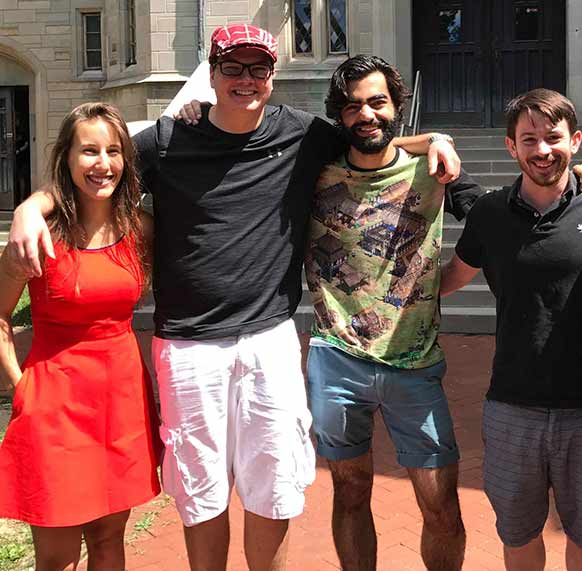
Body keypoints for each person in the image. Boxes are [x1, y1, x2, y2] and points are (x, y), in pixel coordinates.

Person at [7, 24, 463, 571]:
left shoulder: (302, 134)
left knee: (273, 487)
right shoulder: (170, 138)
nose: (246, 80)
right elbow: (97, 165)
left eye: (258, 69)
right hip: (188, 347)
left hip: (268, 339)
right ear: (213, 71)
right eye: (233, 68)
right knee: (201, 494)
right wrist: (31, 207)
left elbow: (375, 139)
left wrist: (435, 140)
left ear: (271, 76)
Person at [305, 55, 483, 571]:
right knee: (350, 490)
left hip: (415, 363)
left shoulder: (435, 174)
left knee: (441, 505)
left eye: (378, 102)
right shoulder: (315, 173)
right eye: (353, 105)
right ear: (339, 115)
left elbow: (499, 222)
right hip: (335, 359)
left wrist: (447, 280)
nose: (367, 115)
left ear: (397, 106)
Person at [440, 88, 582, 571]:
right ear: (510, 147)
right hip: (513, 405)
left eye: (554, 137)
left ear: (576, 141)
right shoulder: (490, 214)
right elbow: (453, 276)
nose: (543, 150)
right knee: (518, 534)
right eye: (529, 139)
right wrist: (384, 293)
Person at [0, 102, 160, 570]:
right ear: (66, 159)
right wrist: (19, 384)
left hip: (120, 399)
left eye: (114, 151)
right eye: (88, 151)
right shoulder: (36, 236)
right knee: (57, 553)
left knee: (110, 539)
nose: (102, 164)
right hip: (54, 402)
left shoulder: (141, 230)